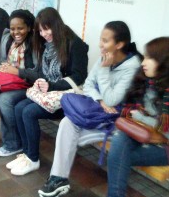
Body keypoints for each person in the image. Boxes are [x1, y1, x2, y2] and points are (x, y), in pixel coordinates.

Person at [38, 21, 143, 197]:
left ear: (119, 44)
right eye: (101, 39)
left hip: (116, 122)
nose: (100, 44)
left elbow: (114, 99)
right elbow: (88, 85)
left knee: (71, 134)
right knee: (67, 122)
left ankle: (59, 178)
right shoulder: (106, 57)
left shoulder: (131, 66)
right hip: (99, 113)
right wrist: (101, 99)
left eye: (105, 41)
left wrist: (103, 71)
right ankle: (58, 178)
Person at [6, 7, 89, 176]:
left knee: (28, 112)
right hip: (50, 94)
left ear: (56, 25)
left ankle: (33, 159)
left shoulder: (75, 44)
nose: (44, 34)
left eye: (47, 29)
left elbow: (79, 77)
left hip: (67, 98)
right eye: (41, 30)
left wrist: (51, 85)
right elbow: (43, 72)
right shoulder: (48, 45)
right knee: (18, 107)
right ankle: (27, 154)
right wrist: (42, 81)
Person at [107, 37, 169, 197]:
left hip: (167, 147)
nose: (143, 62)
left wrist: (142, 118)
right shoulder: (147, 82)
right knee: (120, 142)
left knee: (118, 155)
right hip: (143, 136)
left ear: (164, 62)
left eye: (150, 58)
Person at [0, 9, 36, 156]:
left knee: (5, 99)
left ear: (29, 28)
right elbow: (3, 62)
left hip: (28, 84)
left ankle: (13, 144)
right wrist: (4, 71)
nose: (16, 32)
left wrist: (17, 72)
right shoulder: (7, 39)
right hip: (9, 82)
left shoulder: (35, 44)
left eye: (20, 28)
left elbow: (38, 74)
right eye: (13, 29)